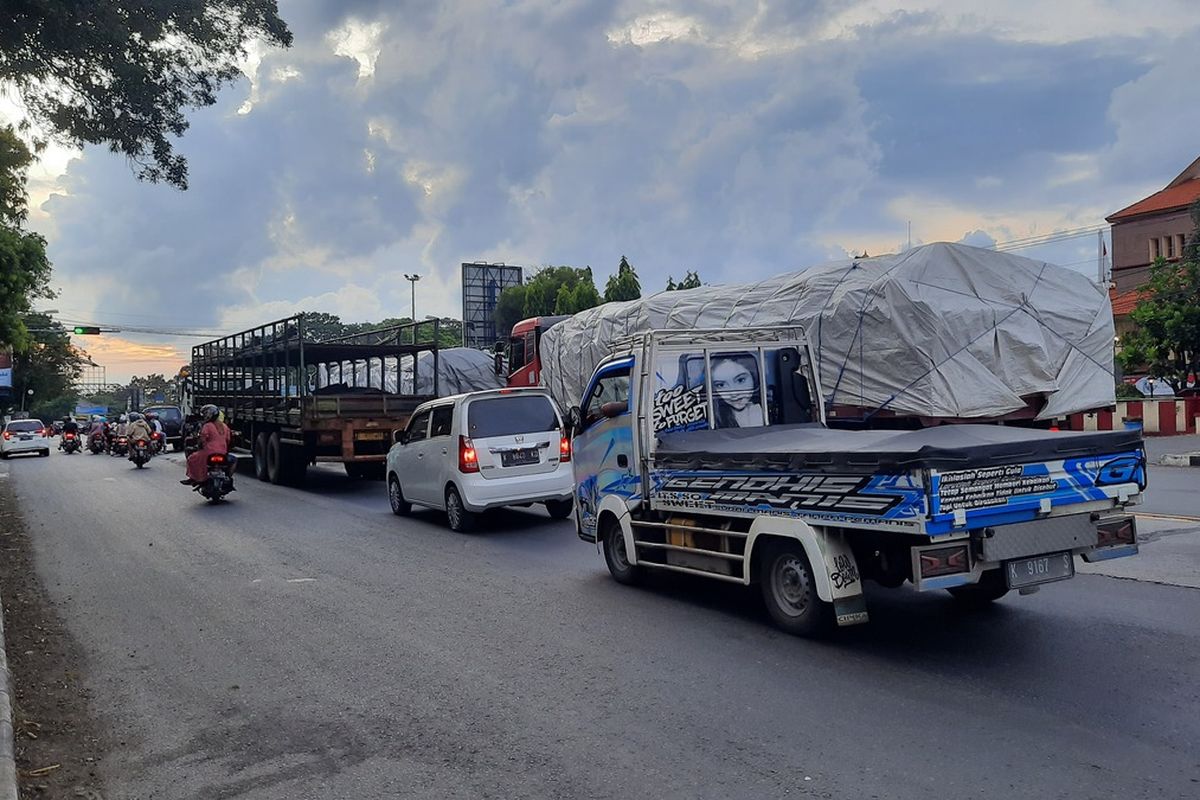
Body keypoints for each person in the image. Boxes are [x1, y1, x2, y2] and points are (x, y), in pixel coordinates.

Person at [710, 354, 764, 428]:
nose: (733, 393)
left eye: (740, 380)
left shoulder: (769, 410)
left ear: (754, 376)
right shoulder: (711, 418)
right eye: (721, 385)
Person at [182, 405, 232, 485]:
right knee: (233, 461)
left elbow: (202, 439)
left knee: (191, 459)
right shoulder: (225, 426)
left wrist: (200, 446)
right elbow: (228, 440)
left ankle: (193, 478)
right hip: (223, 452)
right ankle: (228, 477)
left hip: (209, 451)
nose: (205, 416)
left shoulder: (207, 426)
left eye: (206, 414)